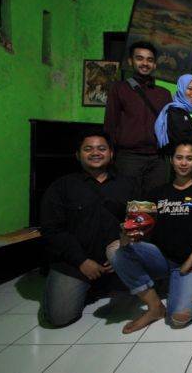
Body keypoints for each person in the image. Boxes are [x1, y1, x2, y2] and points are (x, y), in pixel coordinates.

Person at [111, 141, 192, 333]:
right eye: (179, 157)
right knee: (118, 252)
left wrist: (191, 259)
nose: (184, 163)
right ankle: (154, 307)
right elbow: (143, 226)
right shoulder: (157, 193)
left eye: (189, 158)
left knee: (178, 319)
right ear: (171, 160)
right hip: (160, 258)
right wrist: (127, 233)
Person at [40, 128, 135, 327]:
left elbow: (139, 221)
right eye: (88, 149)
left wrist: (120, 252)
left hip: (117, 259)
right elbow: (51, 230)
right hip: (75, 263)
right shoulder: (61, 187)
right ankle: (87, 286)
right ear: (78, 154)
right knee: (60, 316)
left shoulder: (128, 185)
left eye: (101, 148)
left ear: (111, 153)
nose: (95, 153)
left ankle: (103, 284)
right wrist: (81, 261)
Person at [103, 41, 172, 197]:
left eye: (149, 60)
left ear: (155, 64)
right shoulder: (119, 89)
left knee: (155, 203)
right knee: (127, 202)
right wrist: (109, 154)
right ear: (130, 61)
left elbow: (169, 126)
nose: (145, 63)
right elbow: (110, 123)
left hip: (157, 159)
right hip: (128, 158)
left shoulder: (164, 94)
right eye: (139, 58)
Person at [154, 74, 192, 182]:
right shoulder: (174, 112)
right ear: (181, 89)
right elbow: (182, 137)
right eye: (190, 89)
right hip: (181, 172)